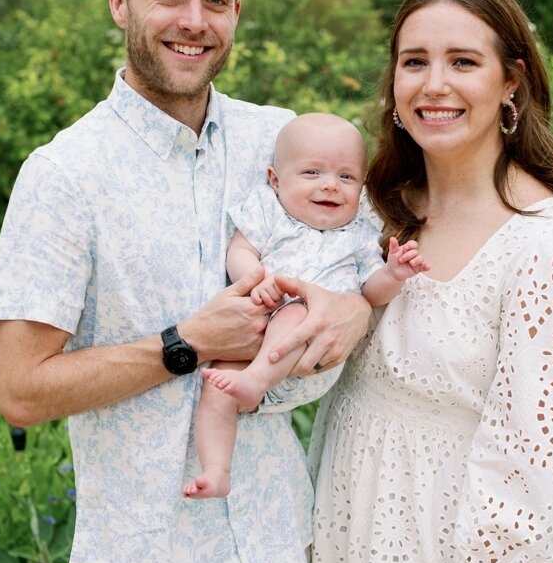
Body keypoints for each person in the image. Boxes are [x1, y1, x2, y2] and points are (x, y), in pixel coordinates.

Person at [0, 0, 373, 563]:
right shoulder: (64, 176)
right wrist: (184, 342)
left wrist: (355, 310)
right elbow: (20, 389)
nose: (194, 19)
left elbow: (371, 253)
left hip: (285, 549)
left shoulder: (284, 140)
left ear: (236, 12)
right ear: (120, 3)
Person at [308, 0, 553, 563]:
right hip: (341, 531)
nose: (435, 84)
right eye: (414, 61)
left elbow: (539, 460)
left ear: (511, 81)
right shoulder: (373, 210)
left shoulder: (550, 251)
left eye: (463, 61)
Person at [182, 112, 429, 499]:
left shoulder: (358, 235)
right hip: (251, 342)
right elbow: (240, 250)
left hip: (311, 355)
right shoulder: (269, 211)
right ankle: (216, 470)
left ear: (361, 187)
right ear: (275, 180)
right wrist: (257, 279)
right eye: (312, 173)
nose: (331, 186)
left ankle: (256, 380)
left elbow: (371, 291)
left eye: (346, 177)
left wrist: (395, 274)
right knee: (217, 390)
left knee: (299, 310)